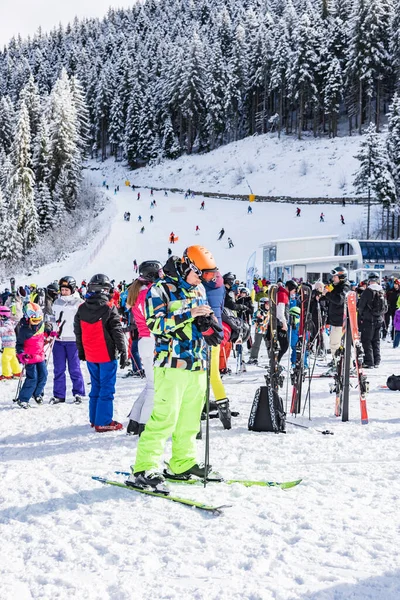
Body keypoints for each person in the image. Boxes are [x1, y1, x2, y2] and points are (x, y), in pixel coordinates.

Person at [126, 246, 222, 491]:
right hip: (171, 363)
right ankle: (144, 468)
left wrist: (210, 326)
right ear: (188, 266)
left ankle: (182, 462)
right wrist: (189, 313)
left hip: (197, 362)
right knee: (164, 418)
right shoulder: (160, 290)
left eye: (208, 276)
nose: (203, 280)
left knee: (190, 420)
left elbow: (200, 319)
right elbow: (155, 324)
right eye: (200, 274)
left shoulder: (198, 288)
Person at [74, 274, 129, 432]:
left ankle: (95, 418)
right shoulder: (109, 307)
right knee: (107, 388)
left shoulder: (81, 308)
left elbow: (78, 332)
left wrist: (82, 352)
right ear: (105, 290)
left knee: (96, 386)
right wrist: (123, 352)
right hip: (106, 354)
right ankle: (103, 421)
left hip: (91, 354)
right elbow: (117, 331)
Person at [126, 261, 163, 435]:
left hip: (144, 340)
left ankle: (135, 420)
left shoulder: (137, 291)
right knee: (154, 387)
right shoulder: (148, 293)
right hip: (151, 339)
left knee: (150, 385)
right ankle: (144, 425)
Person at [201, 263, 232, 429]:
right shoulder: (220, 285)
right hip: (217, 332)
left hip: (203, 334)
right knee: (214, 374)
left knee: (200, 374)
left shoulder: (200, 286)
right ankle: (224, 411)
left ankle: (199, 409)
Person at [49, 276, 85, 404]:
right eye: (62, 290)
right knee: (58, 369)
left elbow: (82, 320)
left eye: (66, 290)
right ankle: (59, 395)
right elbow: (53, 317)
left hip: (72, 340)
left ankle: (78, 393)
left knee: (74, 368)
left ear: (72, 289)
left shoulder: (79, 302)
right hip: (58, 340)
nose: (64, 292)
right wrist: (52, 326)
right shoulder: (57, 302)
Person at [15, 302, 48, 408]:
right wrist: (22, 354)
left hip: (41, 356)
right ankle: (23, 399)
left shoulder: (41, 325)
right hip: (30, 358)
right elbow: (19, 345)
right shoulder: (24, 330)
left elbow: (46, 331)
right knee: (32, 378)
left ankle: (37, 393)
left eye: (38, 320)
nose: (36, 323)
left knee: (43, 375)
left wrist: (50, 333)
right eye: (34, 321)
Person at [358, 272, 387, 368]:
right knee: (376, 340)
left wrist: (361, 316)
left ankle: (369, 361)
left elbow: (361, 306)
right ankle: (377, 361)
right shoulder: (382, 291)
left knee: (367, 340)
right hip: (379, 319)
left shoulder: (367, 291)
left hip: (368, 320)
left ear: (369, 280)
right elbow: (385, 307)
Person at [323, 266, 350, 368]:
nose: (333, 279)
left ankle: (338, 365)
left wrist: (328, 294)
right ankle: (337, 362)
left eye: (335, 277)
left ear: (341, 277)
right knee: (334, 343)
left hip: (340, 321)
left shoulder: (345, 287)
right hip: (335, 320)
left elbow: (339, 300)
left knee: (335, 344)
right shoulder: (337, 286)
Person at [276, 280, 298, 362]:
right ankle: (275, 363)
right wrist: (284, 323)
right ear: (290, 288)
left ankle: (275, 363)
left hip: (280, 323)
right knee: (284, 346)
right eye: (294, 290)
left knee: (283, 346)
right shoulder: (283, 295)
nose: (294, 292)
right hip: (280, 324)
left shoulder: (282, 293)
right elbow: (280, 312)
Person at [0, 306, 21, 380]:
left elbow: (4, 329)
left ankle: (6, 375)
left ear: (3, 315)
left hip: (9, 344)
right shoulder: (5, 322)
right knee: (12, 358)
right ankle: (17, 372)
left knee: (4, 359)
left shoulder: (8, 323)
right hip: (9, 344)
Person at [248, 297, 269, 365]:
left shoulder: (270, 312)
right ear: (262, 304)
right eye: (267, 304)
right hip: (259, 330)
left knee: (269, 344)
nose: (268, 305)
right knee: (256, 344)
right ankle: (253, 357)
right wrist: (257, 320)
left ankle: (272, 358)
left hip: (267, 330)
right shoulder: (258, 312)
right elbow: (253, 320)